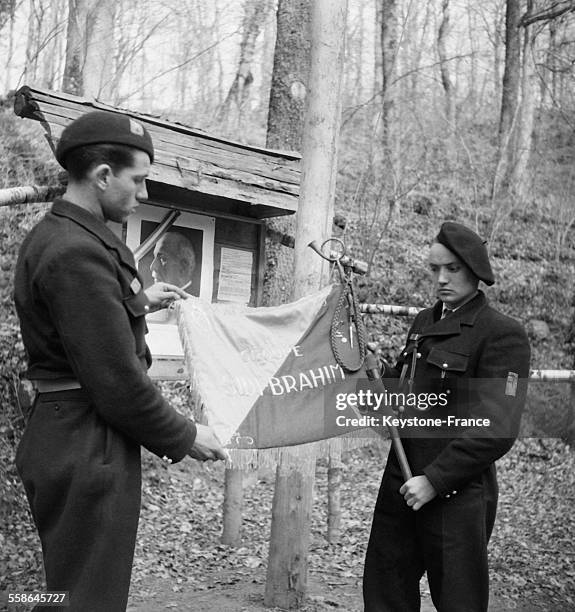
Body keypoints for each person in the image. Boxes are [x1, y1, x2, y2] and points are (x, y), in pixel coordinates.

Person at [13, 111, 226, 612]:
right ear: (104, 175)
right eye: (139, 179)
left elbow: (79, 329)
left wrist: (133, 304)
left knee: (72, 590)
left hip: (75, 430)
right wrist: (184, 434)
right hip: (86, 438)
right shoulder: (74, 251)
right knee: (85, 600)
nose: (145, 195)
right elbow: (115, 379)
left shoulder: (70, 238)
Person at [363, 221, 531, 612]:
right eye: (434, 269)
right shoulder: (424, 322)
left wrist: (435, 482)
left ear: (474, 270)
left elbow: (498, 428)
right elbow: (405, 396)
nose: (441, 278)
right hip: (401, 482)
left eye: (452, 269)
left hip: (454, 494)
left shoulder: (501, 333)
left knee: (459, 601)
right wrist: (372, 375)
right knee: (385, 593)